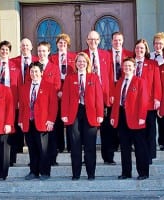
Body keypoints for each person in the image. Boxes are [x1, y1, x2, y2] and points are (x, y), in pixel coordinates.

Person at [61, 52, 104, 180]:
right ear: (75, 64)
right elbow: (65, 98)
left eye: (83, 61)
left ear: (87, 64)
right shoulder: (70, 78)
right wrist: (64, 114)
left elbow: (99, 98)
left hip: (90, 113)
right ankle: (76, 174)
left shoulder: (94, 78)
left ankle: (91, 174)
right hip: (74, 113)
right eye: (79, 61)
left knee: (90, 146)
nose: (81, 64)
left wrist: (100, 114)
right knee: (75, 145)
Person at [110, 57, 149, 180]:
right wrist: (113, 116)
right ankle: (126, 172)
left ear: (134, 68)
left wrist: (142, 117)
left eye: (129, 66)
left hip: (136, 118)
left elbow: (143, 101)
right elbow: (116, 102)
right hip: (121, 117)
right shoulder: (120, 82)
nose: (127, 68)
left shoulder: (140, 81)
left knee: (139, 147)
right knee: (124, 147)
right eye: (125, 66)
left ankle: (143, 172)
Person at [18, 62, 58, 181]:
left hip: (43, 122)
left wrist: (51, 121)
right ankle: (33, 172)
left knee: (43, 149)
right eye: (31, 71)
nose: (33, 74)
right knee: (32, 148)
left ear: (41, 73)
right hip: (28, 122)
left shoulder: (49, 86)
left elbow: (53, 105)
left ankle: (45, 172)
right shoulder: (25, 87)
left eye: (36, 71)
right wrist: (20, 120)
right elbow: (23, 106)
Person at [0, 40, 22, 166]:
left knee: (11, 130)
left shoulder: (15, 66)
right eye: (2, 49)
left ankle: (11, 157)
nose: (4, 52)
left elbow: (19, 85)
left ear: (9, 51)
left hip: (11, 101)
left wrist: (19, 101)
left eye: (7, 50)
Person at [83, 30, 112, 165]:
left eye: (95, 39)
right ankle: (87, 158)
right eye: (90, 39)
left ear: (99, 41)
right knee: (87, 130)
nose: (93, 42)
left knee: (106, 129)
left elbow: (110, 76)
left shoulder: (106, 55)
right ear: (87, 41)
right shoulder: (82, 55)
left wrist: (110, 94)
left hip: (103, 96)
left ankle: (108, 157)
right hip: (87, 97)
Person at [10, 38, 39, 165]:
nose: (25, 47)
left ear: (31, 47)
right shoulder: (13, 61)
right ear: (20, 47)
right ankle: (17, 150)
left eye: (27, 45)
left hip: (33, 97)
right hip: (18, 95)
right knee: (18, 123)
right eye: (23, 45)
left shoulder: (37, 61)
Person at [49, 33, 77, 165]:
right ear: (57, 45)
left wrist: (65, 91)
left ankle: (72, 146)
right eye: (60, 43)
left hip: (70, 90)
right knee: (57, 119)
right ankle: (60, 145)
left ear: (68, 45)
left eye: (64, 43)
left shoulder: (74, 57)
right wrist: (58, 91)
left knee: (70, 118)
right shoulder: (52, 58)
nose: (62, 45)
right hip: (56, 90)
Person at [134, 39, 162, 165]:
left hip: (149, 102)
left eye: (142, 48)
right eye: (137, 48)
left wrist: (157, 98)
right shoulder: (129, 63)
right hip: (134, 102)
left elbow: (157, 82)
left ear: (145, 50)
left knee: (150, 129)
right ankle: (139, 152)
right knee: (138, 129)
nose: (139, 50)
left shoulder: (152, 64)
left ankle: (150, 155)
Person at [108, 31, 134, 164]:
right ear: (111, 41)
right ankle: (110, 154)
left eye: (119, 40)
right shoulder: (106, 55)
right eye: (115, 40)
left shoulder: (129, 55)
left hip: (126, 92)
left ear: (123, 41)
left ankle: (127, 146)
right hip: (111, 92)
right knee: (111, 125)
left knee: (126, 122)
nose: (117, 42)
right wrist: (111, 94)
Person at [150, 32, 164, 151]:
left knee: (163, 118)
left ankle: (163, 142)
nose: (158, 46)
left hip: (163, 90)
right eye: (156, 43)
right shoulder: (149, 56)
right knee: (151, 118)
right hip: (151, 91)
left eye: (160, 44)